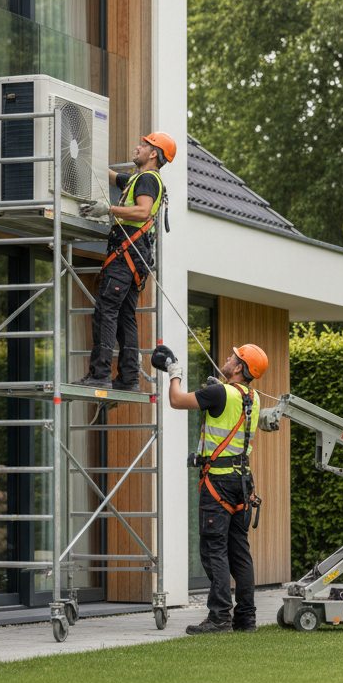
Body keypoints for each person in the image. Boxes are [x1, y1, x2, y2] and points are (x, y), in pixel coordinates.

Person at [158, 342, 269, 634]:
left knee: (213, 550)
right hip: (243, 483)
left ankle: (219, 616)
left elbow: (177, 400)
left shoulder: (220, 392)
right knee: (239, 552)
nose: (228, 358)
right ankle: (246, 618)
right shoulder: (253, 398)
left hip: (218, 482)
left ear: (241, 368)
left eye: (234, 357)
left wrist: (174, 371)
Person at [73, 131, 176, 390]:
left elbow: (142, 211)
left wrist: (108, 209)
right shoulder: (138, 180)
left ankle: (99, 374)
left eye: (143, 145)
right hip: (135, 254)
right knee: (124, 316)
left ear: (153, 153)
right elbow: (112, 176)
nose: (137, 147)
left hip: (127, 252)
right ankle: (129, 378)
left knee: (106, 311)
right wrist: (85, 160)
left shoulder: (147, 181)